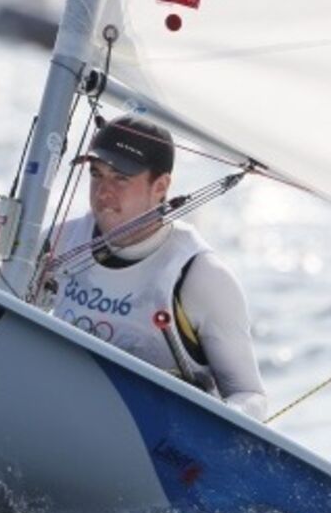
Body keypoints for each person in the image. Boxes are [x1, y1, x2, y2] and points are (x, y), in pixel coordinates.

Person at [48, 115, 268, 420]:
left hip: (155, 432)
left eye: (120, 178)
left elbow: (250, 395)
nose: (103, 193)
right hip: (63, 408)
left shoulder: (200, 276)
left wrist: (226, 417)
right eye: (96, 174)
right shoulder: (59, 241)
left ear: (161, 186)